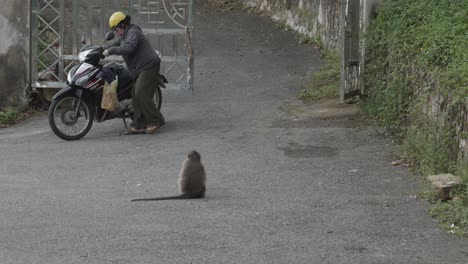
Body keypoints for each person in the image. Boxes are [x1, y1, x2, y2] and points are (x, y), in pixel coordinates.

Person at [102, 11, 165, 135]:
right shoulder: (124, 37)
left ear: (122, 25)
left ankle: (156, 120)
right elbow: (113, 44)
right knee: (134, 96)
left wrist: (111, 51)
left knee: (141, 92)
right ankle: (139, 125)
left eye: (116, 29)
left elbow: (128, 48)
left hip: (149, 66)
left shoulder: (133, 33)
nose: (116, 32)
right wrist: (99, 49)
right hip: (140, 69)